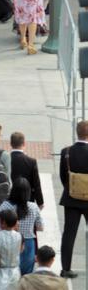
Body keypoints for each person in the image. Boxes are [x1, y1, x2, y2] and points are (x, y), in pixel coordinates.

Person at [59, 119, 88, 278]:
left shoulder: (66, 152)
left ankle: (66, 268)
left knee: (69, 234)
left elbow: (63, 176)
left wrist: (71, 189)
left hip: (71, 198)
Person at [0, 178, 44, 275]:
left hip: (8, 241)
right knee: (26, 275)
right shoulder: (33, 207)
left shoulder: (5, 206)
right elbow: (41, 227)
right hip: (28, 243)